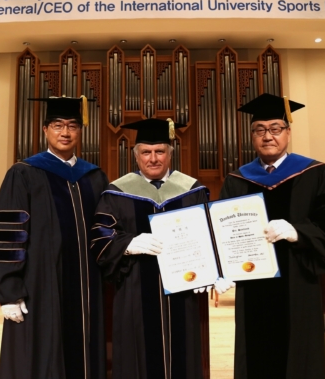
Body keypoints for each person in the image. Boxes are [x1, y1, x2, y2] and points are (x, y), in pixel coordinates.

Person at [219, 93, 325, 379]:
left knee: (299, 357)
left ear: (288, 132)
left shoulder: (317, 173)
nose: (268, 136)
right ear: (252, 136)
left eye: (275, 128)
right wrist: (219, 269)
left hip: (300, 283)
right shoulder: (237, 180)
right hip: (253, 285)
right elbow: (222, 232)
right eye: (260, 130)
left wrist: (298, 232)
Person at [0, 96, 108, 379]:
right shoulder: (24, 173)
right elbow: (7, 236)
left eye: (72, 126)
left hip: (88, 287)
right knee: (41, 354)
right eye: (58, 125)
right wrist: (9, 292)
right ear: (45, 130)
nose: (65, 132)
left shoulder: (94, 177)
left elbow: (105, 230)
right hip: (39, 285)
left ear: (80, 131)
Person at [91, 118, 228, 379]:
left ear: (170, 154)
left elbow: (210, 235)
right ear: (136, 156)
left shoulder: (192, 190)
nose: (153, 158)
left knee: (183, 354)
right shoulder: (116, 193)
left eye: (159, 151)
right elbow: (99, 238)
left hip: (184, 292)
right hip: (134, 292)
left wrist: (215, 270)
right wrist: (127, 244)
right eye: (146, 152)